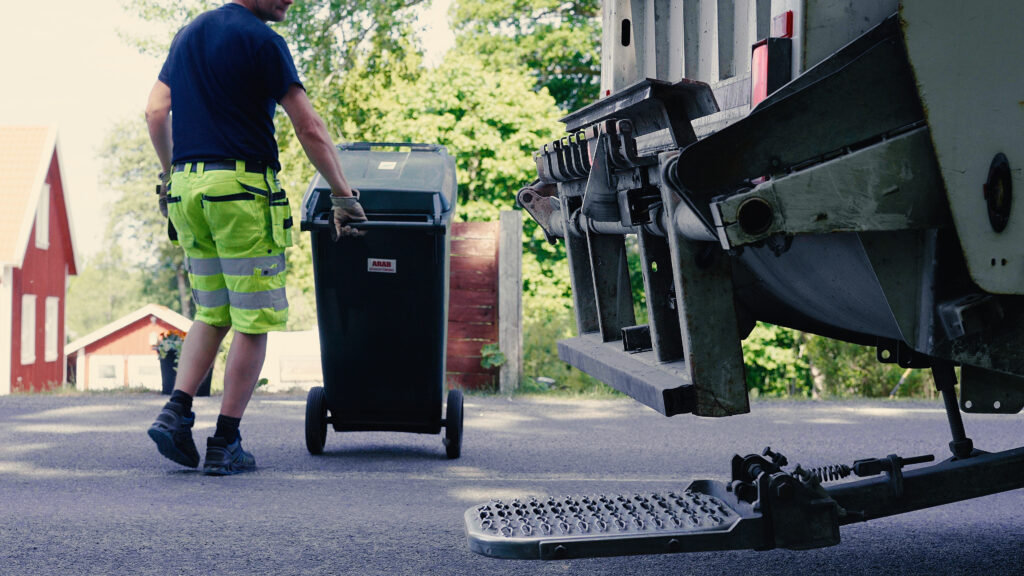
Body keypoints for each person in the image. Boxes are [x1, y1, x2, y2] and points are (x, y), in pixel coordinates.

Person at [145, 0, 365, 475]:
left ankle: (175, 411)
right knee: (252, 319)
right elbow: (309, 126)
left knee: (211, 311)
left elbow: (155, 110)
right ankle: (225, 443)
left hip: (186, 189)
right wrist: (343, 196)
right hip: (241, 192)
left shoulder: (189, 34)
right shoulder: (264, 41)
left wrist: (170, 176)